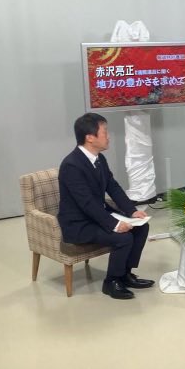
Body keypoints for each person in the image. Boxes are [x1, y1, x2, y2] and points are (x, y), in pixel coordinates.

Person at [58, 113, 154, 300]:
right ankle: (111, 282)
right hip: (79, 224)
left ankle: (125, 274)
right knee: (123, 237)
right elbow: (86, 203)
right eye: (105, 132)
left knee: (141, 227)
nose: (108, 137)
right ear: (90, 137)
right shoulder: (72, 165)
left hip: (96, 216)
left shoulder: (99, 158)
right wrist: (114, 224)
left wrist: (132, 211)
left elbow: (113, 187)